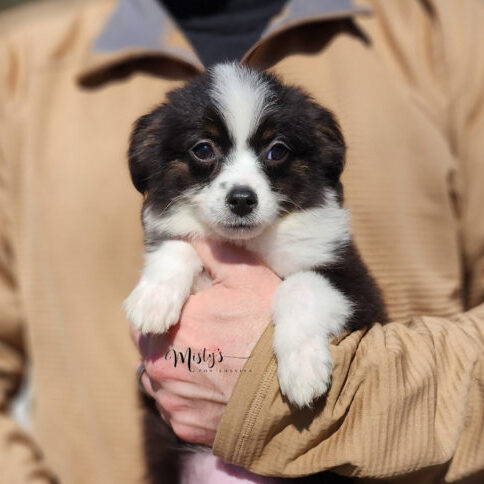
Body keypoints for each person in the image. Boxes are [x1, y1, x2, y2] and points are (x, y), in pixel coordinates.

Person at [0, 0, 483, 483]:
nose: (241, 187)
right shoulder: (19, 66)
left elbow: (342, 291)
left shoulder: (446, 31)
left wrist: (348, 391)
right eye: (205, 151)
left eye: (274, 152)